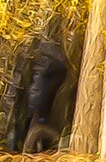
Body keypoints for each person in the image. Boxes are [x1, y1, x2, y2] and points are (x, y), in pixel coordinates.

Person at [5, 17, 73, 153]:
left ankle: (22, 151)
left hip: (35, 105)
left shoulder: (42, 51)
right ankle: (23, 151)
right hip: (37, 104)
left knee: (28, 129)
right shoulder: (50, 53)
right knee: (29, 129)